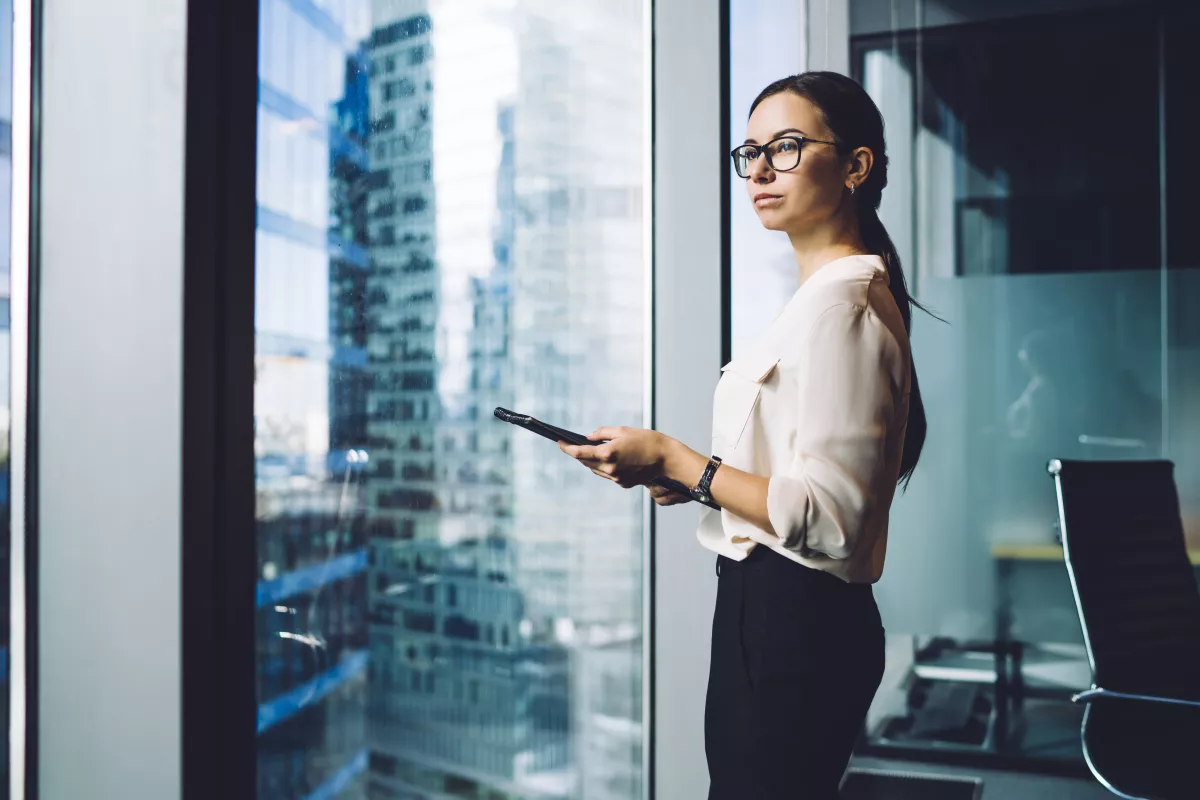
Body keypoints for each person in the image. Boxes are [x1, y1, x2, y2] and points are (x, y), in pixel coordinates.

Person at [559, 71, 929, 799]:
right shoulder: (825, 301)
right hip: (777, 622)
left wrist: (679, 458)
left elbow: (829, 520)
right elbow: (799, 482)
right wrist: (693, 483)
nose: (758, 170)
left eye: (786, 147)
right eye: (750, 150)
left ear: (856, 166)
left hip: (794, 626)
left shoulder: (842, 307)